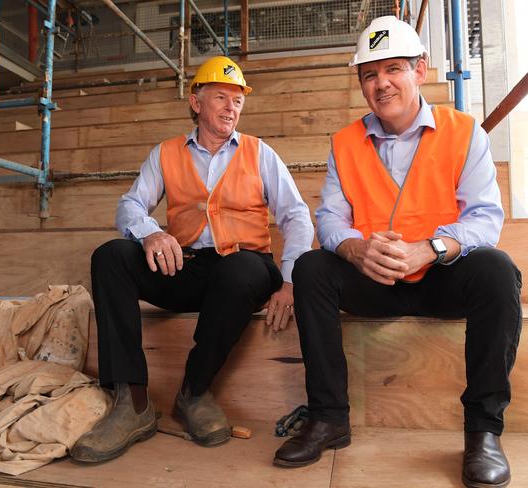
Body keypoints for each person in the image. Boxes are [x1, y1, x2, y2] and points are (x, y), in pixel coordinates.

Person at [273, 16, 522, 488]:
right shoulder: (344, 143)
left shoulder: (465, 132)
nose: (381, 83)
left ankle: (483, 430)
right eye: (369, 74)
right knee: (309, 267)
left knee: (497, 269)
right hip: (375, 281)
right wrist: (355, 249)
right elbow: (328, 220)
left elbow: (486, 218)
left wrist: (430, 249)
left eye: (393, 69)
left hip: (441, 277)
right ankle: (329, 418)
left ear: (420, 69)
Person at [71, 56, 313, 463]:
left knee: (240, 271)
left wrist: (290, 282)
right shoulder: (166, 153)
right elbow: (131, 204)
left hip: (245, 269)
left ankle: (194, 392)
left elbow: (296, 216)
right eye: (221, 97)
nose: (231, 107)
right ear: (195, 101)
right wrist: (151, 234)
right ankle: (131, 402)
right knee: (111, 256)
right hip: (184, 266)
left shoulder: (260, 153)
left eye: (238, 100)